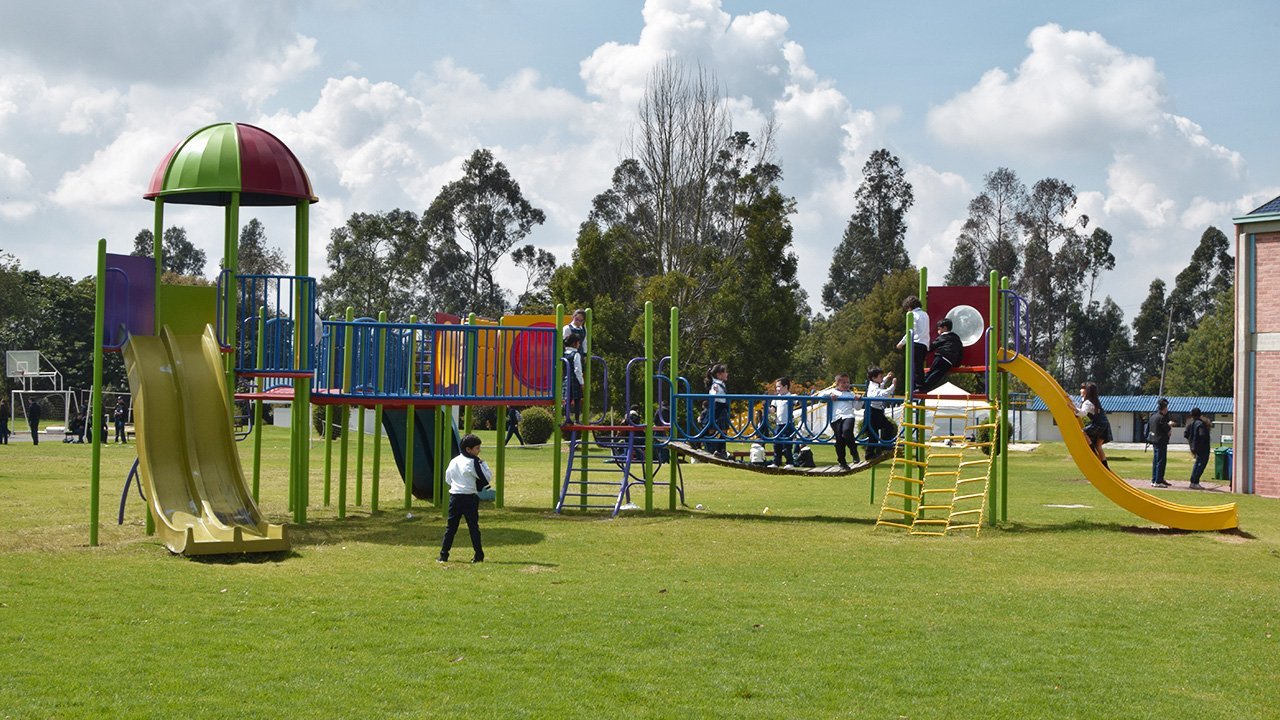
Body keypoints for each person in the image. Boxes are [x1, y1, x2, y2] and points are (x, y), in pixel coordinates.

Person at [438, 433, 490, 563]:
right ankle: (478, 555)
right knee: (473, 527)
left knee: (451, 528)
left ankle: (443, 555)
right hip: (469, 498)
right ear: (468, 449)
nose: (479, 451)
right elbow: (487, 477)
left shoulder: (454, 461)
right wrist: (484, 464)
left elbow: (448, 479)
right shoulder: (473, 462)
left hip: (455, 497)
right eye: (477, 448)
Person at [816, 373, 860, 470]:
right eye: (843, 382)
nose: (846, 384)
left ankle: (854, 452)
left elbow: (857, 407)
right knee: (839, 441)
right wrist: (829, 395)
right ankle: (842, 462)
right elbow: (820, 396)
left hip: (848, 416)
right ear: (837, 383)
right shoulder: (832, 391)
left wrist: (858, 400)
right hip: (836, 418)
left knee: (847, 431)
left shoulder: (851, 393)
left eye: (847, 382)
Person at [896, 295, 931, 392]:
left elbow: (910, 331)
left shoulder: (912, 315)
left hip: (916, 342)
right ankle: (919, 385)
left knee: (915, 367)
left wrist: (901, 343)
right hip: (924, 344)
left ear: (909, 307)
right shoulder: (925, 314)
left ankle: (918, 386)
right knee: (919, 366)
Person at [863, 366, 898, 459]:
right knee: (873, 434)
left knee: (889, 426)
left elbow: (881, 383)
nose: (882, 378)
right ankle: (869, 454)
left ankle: (884, 447)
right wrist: (893, 386)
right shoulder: (873, 388)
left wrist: (887, 377)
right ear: (874, 378)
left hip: (876, 411)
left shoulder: (875, 383)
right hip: (871, 412)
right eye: (880, 376)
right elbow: (883, 394)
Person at [919, 318, 962, 392]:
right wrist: (956, 364)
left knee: (931, 372)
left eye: (939, 329)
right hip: (949, 362)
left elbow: (931, 347)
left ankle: (920, 387)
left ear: (945, 328)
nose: (938, 331)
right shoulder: (956, 337)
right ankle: (923, 388)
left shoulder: (943, 337)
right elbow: (960, 352)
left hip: (941, 357)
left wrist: (922, 351)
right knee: (936, 376)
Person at [1076, 381, 1111, 468]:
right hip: (1105, 424)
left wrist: (1072, 407)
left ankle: (1092, 451)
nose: (1081, 390)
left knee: (1082, 432)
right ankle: (1105, 467)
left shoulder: (1088, 402)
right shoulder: (1095, 400)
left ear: (1088, 391)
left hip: (1098, 423)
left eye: (1084, 388)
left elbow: (1083, 413)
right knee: (1099, 446)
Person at [1147, 398, 1174, 488]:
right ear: (1164, 408)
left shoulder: (1153, 416)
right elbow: (1166, 429)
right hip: (1161, 441)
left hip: (1154, 440)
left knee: (1156, 461)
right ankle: (1158, 481)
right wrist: (1169, 425)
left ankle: (1155, 479)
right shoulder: (1161, 418)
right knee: (1161, 461)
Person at [706, 364, 730, 459]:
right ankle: (696, 441)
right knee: (711, 429)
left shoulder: (721, 383)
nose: (727, 374)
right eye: (725, 372)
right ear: (719, 375)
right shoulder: (716, 384)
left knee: (723, 430)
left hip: (722, 406)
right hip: (718, 407)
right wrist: (714, 393)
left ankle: (719, 450)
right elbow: (712, 394)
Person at [769, 376, 795, 468]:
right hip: (778, 424)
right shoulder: (776, 398)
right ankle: (776, 462)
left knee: (787, 444)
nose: (777, 389)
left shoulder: (792, 396)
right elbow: (773, 409)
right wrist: (767, 409)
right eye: (776, 387)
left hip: (788, 424)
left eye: (779, 386)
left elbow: (798, 402)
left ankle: (790, 462)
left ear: (786, 387)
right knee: (776, 443)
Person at [1185, 407, 1212, 489]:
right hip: (1202, 448)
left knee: (1197, 463)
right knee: (1200, 464)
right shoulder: (1200, 424)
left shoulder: (1191, 423)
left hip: (1194, 447)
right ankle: (1195, 481)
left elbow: (1186, 434)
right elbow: (1202, 435)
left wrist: (1192, 442)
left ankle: (1193, 481)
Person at [562, 334, 585, 422]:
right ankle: (577, 419)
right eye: (578, 343)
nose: (579, 345)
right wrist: (581, 382)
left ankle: (566, 418)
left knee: (567, 399)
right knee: (577, 400)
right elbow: (577, 369)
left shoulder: (564, 353)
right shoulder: (576, 354)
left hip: (566, 379)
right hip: (574, 379)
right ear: (574, 343)